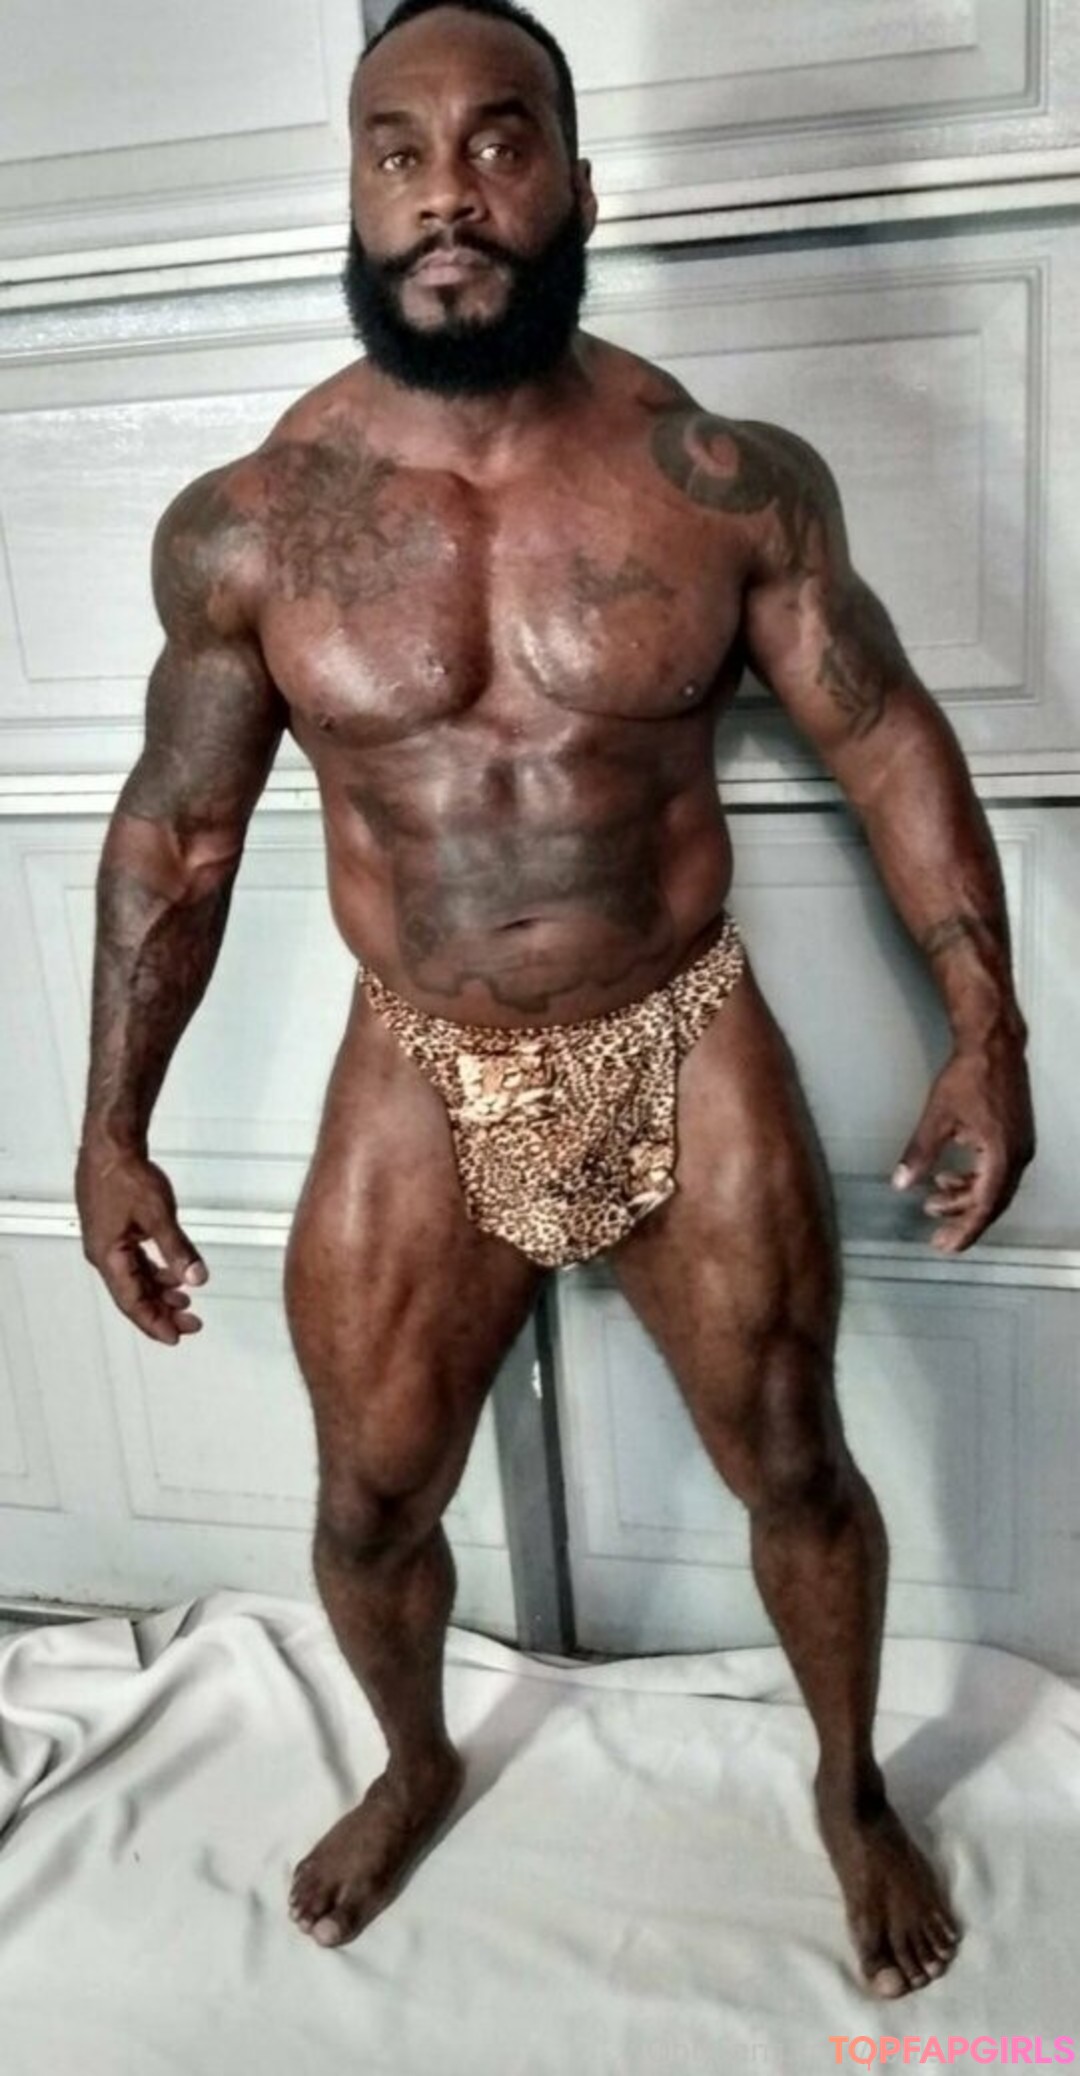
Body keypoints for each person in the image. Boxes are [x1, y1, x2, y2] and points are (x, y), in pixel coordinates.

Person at [74, 0, 1034, 2000]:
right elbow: (178, 833)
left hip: (681, 1033)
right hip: (420, 1062)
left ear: (574, 183)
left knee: (793, 1459)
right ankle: (416, 1758)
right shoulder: (255, 524)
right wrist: (110, 1129)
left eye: (499, 143)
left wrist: (988, 1027)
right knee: (367, 1502)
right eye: (399, 150)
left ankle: (850, 1787)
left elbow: (885, 739)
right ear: (354, 190)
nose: (450, 192)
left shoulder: (721, 479)